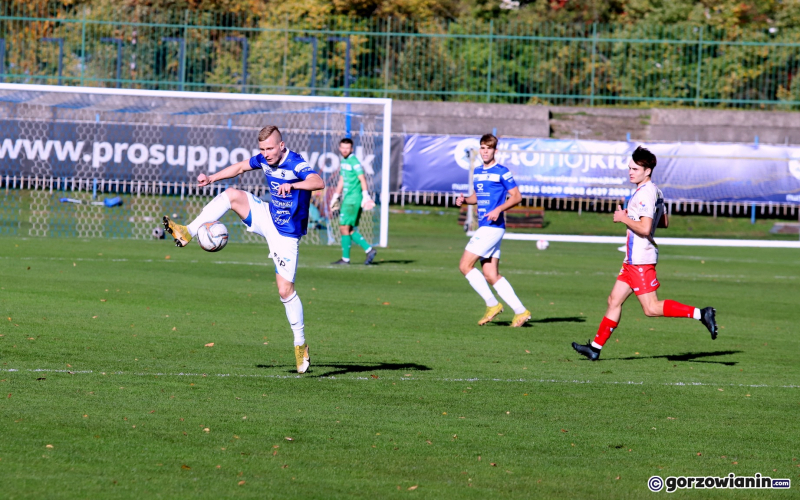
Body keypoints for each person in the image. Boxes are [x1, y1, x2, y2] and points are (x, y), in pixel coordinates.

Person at [162, 126, 324, 374]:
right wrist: (212, 178)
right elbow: (239, 167)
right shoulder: (263, 159)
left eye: (270, 148)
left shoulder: (296, 163)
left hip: (287, 234)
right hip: (268, 216)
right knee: (231, 194)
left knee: (284, 290)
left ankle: (300, 344)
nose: (266, 153)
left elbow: (317, 181)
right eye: (262, 149)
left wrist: (295, 186)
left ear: (281, 145)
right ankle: (187, 231)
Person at [572, 146, 718, 361]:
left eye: (635, 169)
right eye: (629, 168)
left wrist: (623, 218)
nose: (630, 172)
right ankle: (595, 348)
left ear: (647, 171)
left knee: (650, 308)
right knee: (614, 300)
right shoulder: (655, 191)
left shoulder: (645, 193)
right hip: (632, 260)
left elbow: (645, 228)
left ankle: (701, 313)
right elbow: (664, 222)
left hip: (640, 259)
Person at [455, 133, 531, 327]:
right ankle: (521, 311)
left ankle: (492, 304)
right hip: (487, 226)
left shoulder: (502, 171)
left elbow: (516, 196)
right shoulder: (478, 171)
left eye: (489, 148)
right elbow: (476, 197)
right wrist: (464, 200)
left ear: (495, 151)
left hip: (492, 227)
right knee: (490, 275)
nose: (485, 151)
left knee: (465, 265)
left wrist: (498, 209)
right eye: (482, 147)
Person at [329, 138, 377, 265]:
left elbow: (362, 178)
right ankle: (368, 249)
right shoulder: (344, 161)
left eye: (347, 148)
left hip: (353, 199)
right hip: (347, 198)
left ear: (351, 149)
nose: (345, 150)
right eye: (343, 147)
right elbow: (341, 180)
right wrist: (335, 196)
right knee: (347, 229)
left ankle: (346, 258)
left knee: (344, 227)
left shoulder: (354, 161)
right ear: (339, 148)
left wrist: (365, 195)